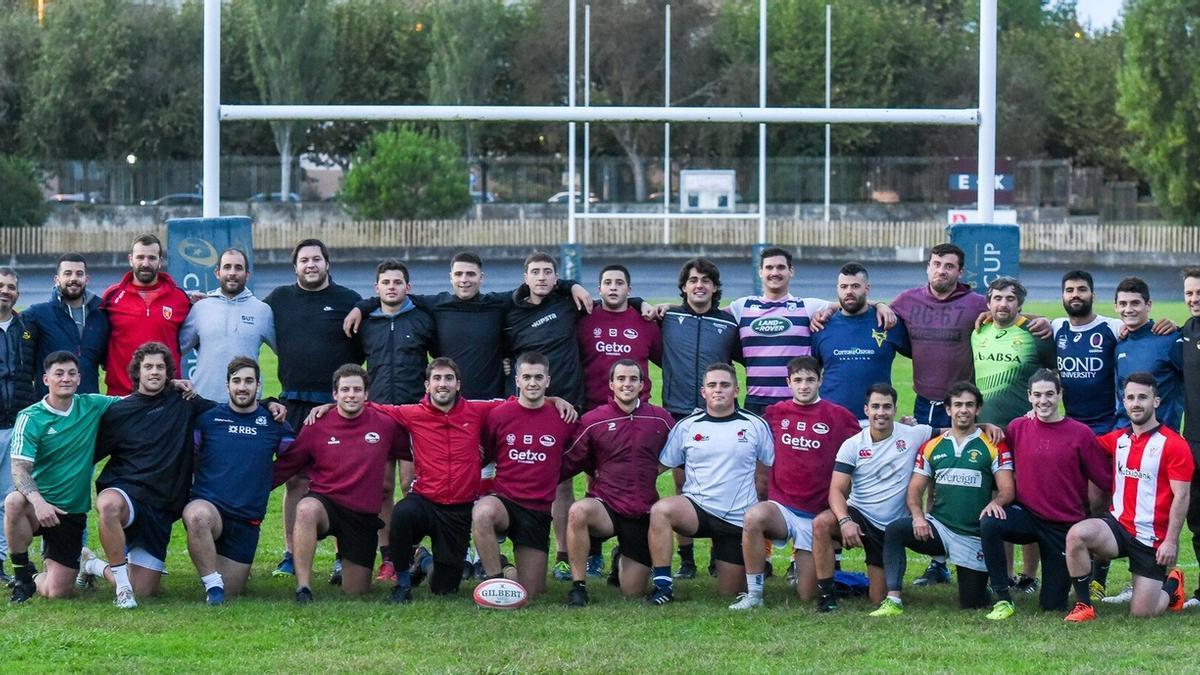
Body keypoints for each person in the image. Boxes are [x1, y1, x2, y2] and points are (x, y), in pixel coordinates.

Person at [891, 243, 1046, 587]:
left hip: (967, 407)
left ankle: (1016, 570)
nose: (941, 270)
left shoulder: (978, 304)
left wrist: (1041, 320)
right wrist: (876, 307)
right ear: (927, 267)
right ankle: (938, 561)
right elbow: (880, 311)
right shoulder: (906, 300)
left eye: (949, 266)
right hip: (926, 403)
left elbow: (1017, 314)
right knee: (936, 480)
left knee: (1001, 488)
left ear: (961, 272)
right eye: (935, 264)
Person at [367, 357, 575, 603]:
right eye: (437, 379)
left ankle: (425, 561)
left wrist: (553, 400)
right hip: (425, 499)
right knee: (402, 513)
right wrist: (327, 408)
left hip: (458, 511)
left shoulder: (479, 410)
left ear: (458, 384)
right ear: (427, 385)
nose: (442, 384)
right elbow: (369, 406)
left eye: (448, 378)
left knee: (445, 589)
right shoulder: (411, 413)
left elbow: (522, 401)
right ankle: (402, 584)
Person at [345, 251, 591, 400]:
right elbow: (393, 294)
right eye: (459, 274)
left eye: (471, 274)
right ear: (451, 277)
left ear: (481, 278)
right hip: (450, 400)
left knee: (492, 474)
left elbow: (538, 284)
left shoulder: (498, 303)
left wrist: (571, 285)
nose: (465, 280)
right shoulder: (436, 304)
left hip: (493, 400)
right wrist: (361, 307)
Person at [91, 342, 222, 609]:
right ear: (137, 372)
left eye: (160, 367)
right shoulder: (118, 412)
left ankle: (93, 565)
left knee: (146, 590)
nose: (154, 372)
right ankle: (122, 588)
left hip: (161, 508)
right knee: (108, 505)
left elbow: (226, 412)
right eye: (148, 366)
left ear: (169, 372)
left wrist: (268, 404)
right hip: (127, 494)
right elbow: (88, 455)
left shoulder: (184, 403)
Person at [263, 239, 363, 580]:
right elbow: (243, 314)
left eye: (316, 259)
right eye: (304, 260)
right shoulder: (278, 300)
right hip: (293, 403)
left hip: (335, 406)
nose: (311, 265)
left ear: (327, 264)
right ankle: (291, 554)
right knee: (295, 482)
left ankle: (341, 554)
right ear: (295, 267)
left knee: (337, 483)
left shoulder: (349, 301)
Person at [870, 382, 1014, 616]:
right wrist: (918, 517)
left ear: (978, 409)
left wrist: (996, 503)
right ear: (948, 410)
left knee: (971, 603)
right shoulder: (931, 446)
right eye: (957, 405)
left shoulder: (994, 444)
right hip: (938, 528)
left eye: (969, 405)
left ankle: (984, 584)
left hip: (972, 535)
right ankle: (893, 600)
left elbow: (1008, 490)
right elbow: (915, 490)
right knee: (896, 529)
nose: (963, 410)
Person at [978, 369, 1112, 620]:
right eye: (1037, 395)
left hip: (1063, 527)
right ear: (1029, 397)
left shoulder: (1080, 433)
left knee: (1052, 605)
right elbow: (989, 444)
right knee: (990, 522)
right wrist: (984, 424)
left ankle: (1071, 581)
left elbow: (1104, 479)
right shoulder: (1019, 427)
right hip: (1027, 517)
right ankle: (1002, 597)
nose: (1043, 401)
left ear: (1060, 395)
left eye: (1050, 394)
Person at [729, 357, 860, 610]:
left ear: (820, 380)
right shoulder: (775, 413)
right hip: (783, 509)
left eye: (810, 380)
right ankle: (754, 594)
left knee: (807, 595)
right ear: (788, 383)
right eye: (798, 380)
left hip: (816, 514)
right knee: (754, 517)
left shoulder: (839, 417)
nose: (804, 386)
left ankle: (839, 579)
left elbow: (864, 449)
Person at [272, 364, 408, 602]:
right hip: (327, 505)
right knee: (306, 509)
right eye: (345, 390)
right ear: (335, 394)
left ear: (366, 394)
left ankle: (354, 568)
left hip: (362, 516)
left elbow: (415, 451)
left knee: (355, 591)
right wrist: (252, 487)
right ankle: (303, 587)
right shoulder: (317, 424)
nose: (351, 395)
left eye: (357, 390)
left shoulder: (384, 425)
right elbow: (288, 464)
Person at [1062, 372, 1192, 622]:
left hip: (1150, 538)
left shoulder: (1174, 445)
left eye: (1143, 397)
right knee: (1077, 534)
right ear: (1124, 402)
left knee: (1143, 613)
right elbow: (1076, 443)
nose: (1136, 403)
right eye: (1130, 397)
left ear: (1156, 401)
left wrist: (1171, 542)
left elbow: (1182, 496)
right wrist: (1039, 417)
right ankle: (1083, 605)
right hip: (1118, 527)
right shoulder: (1118, 439)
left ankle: (1171, 586)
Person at [646, 363, 774, 605]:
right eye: (712, 385)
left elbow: (768, 474)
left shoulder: (755, 425)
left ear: (736, 390)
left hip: (737, 518)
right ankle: (663, 586)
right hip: (697, 510)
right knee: (661, 510)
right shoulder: (687, 426)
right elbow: (659, 467)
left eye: (725, 385)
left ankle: (747, 564)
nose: (718, 390)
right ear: (703, 392)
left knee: (729, 591)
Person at [5, 351, 121, 602]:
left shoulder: (92, 404)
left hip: (70, 511)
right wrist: (39, 503)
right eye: (59, 373)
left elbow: (137, 402)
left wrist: (172, 385)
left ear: (80, 378)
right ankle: (23, 577)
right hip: (38, 507)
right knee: (13, 502)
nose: (65, 378)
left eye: (71, 373)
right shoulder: (30, 417)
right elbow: (19, 469)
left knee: (58, 593)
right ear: (46, 379)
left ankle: (83, 562)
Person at [810, 384, 936, 611]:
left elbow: (955, 431)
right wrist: (845, 521)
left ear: (895, 409)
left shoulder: (914, 434)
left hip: (890, 529)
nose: (881, 412)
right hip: (859, 514)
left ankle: (859, 583)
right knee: (821, 524)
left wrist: (984, 426)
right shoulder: (853, 444)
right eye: (876, 406)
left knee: (878, 599)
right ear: (866, 410)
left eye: (887, 407)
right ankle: (827, 596)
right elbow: (836, 490)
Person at [561, 360, 675, 606]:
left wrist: (655, 469)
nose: (627, 384)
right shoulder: (594, 420)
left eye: (633, 379)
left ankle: (619, 558)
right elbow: (570, 460)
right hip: (606, 506)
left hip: (642, 510)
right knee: (578, 511)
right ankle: (578, 586)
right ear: (611, 384)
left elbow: (681, 452)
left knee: (632, 592)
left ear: (642, 385)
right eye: (621, 379)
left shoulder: (660, 418)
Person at [729, 248, 895, 415]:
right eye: (769, 267)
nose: (775, 272)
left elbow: (848, 300)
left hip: (796, 399)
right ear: (760, 272)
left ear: (791, 271)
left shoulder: (807, 307)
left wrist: (880, 305)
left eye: (780, 267)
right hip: (756, 401)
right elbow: (712, 314)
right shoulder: (743, 306)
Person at [183, 356, 294, 604]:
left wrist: (267, 479)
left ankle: (221, 573)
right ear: (227, 386)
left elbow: (297, 458)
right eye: (236, 381)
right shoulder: (209, 420)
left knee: (233, 590)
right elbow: (189, 456)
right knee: (197, 516)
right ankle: (212, 586)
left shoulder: (273, 424)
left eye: (248, 381)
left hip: (246, 519)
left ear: (258, 386)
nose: (242, 387)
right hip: (211, 508)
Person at [658, 258, 740, 578]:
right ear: (684, 287)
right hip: (678, 413)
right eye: (693, 280)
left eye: (706, 280)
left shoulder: (729, 323)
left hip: (719, 415)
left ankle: (720, 556)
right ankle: (687, 559)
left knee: (722, 485)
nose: (699, 285)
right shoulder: (667, 318)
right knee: (683, 487)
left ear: (715, 287)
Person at [473, 352, 575, 598]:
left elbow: (576, 456)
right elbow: (483, 456)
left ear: (548, 381)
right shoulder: (499, 415)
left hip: (538, 511)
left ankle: (507, 570)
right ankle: (494, 581)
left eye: (538, 377)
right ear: (517, 380)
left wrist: (556, 400)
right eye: (526, 377)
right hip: (506, 501)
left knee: (532, 592)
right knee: (483, 512)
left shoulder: (563, 418)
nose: (532, 383)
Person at [356, 259, 433, 581]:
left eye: (397, 282)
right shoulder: (366, 323)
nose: (391, 287)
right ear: (377, 289)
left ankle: (411, 550)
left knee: (410, 485)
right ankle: (387, 556)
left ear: (408, 287)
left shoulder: (423, 320)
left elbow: (442, 361)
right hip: (378, 416)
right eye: (385, 282)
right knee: (383, 488)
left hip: (414, 416)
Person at [810, 262, 910, 423]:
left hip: (876, 420)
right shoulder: (821, 326)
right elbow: (810, 373)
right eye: (843, 287)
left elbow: (920, 357)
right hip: (830, 420)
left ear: (867, 289)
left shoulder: (888, 322)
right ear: (837, 289)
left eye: (855, 286)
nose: (849, 291)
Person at [178, 248, 277, 402]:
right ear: (217, 273)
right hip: (203, 401)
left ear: (247, 275)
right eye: (227, 267)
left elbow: (285, 352)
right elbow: (176, 349)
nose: (232, 273)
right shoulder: (201, 308)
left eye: (238, 268)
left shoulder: (262, 311)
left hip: (246, 403)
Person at [100, 234, 190, 396]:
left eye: (151, 258)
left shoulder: (180, 298)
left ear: (160, 261)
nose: (145, 263)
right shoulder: (112, 296)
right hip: (121, 395)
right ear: (130, 259)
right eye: (140, 257)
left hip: (166, 394)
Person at [22, 253, 109, 398]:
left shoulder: (101, 315)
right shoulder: (37, 314)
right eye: (67, 273)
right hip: (50, 408)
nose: (73, 278)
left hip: (88, 408)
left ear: (86, 279)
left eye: (79, 274)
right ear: (57, 279)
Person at [577, 264, 661, 412]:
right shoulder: (583, 321)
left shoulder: (646, 322)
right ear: (599, 289)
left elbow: (668, 362)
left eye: (619, 283)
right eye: (608, 283)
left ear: (629, 290)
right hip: (592, 412)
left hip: (636, 411)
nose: (613, 287)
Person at [972, 277, 1056, 427]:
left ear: (1019, 304)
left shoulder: (1036, 333)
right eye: (997, 298)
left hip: (1025, 427)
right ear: (988, 303)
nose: (1003, 304)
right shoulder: (978, 332)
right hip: (985, 427)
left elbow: (1058, 373)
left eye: (1010, 299)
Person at [0, 267, 37, 583]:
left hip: (18, 424)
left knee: (10, 497)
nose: (5, 291)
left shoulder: (27, 326)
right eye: (0, 285)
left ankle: (7, 560)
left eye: (11, 286)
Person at [1114, 277, 1183, 431]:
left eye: (1135, 303)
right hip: (1124, 437)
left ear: (1148, 305)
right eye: (1123, 304)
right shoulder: (1120, 345)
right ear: (1116, 307)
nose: (1128, 309)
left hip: (1161, 440)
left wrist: (1178, 328)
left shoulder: (1170, 340)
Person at [1179, 267, 1200, 608]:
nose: (1195, 299)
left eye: (1199, 294)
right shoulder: (1186, 330)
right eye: (1190, 294)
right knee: (1197, 518)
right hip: (1193, 441)